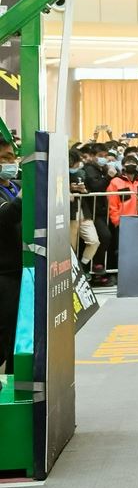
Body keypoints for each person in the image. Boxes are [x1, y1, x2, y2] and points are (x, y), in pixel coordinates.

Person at [0, 140, 21, 374]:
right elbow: (7, 215)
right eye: (4, 158)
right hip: (4, 273)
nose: (11, 163)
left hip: (23, 269)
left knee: (18, 333)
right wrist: (27, 195)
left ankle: (15, 379)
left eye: (12, 157)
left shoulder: (16, 185)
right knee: (4, 333)